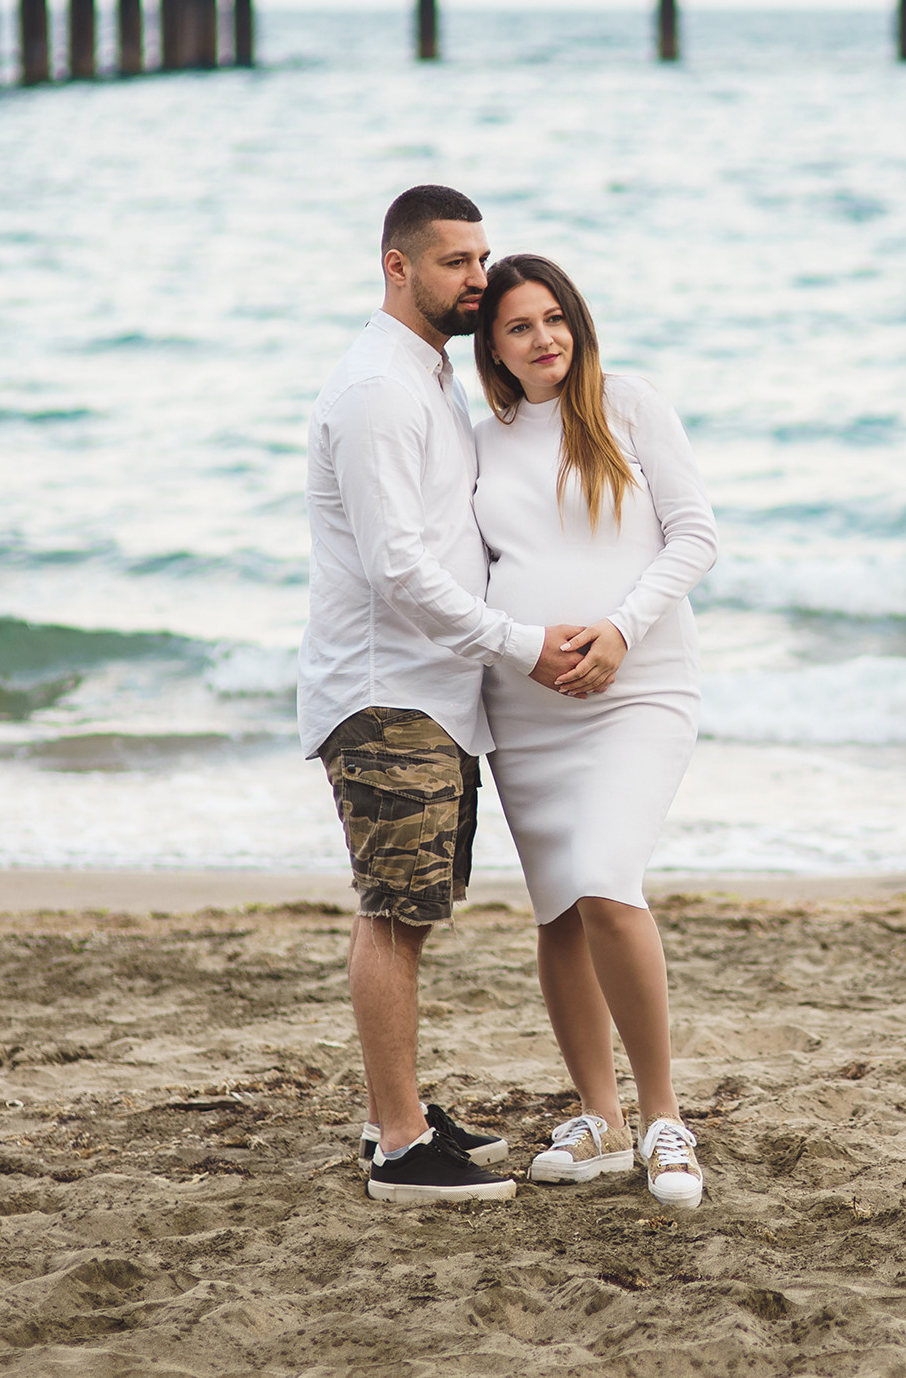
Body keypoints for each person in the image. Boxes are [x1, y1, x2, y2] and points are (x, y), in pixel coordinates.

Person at [299, 186, 589, 1205]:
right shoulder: (380, 390)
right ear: (397, 266)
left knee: (410, 910)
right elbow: (397, 569)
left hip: (430, 692)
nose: (478, 278)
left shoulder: (426, 374)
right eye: (455, 262)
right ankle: (397, 1141)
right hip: (387, 692)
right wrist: (520, 645)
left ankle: (401, 1109)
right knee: (392, 912)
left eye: (481, 257)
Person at [470, 255, 720, 1210]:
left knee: (609, 882)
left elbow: (695, 536)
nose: (544, 339)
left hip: (639, 686)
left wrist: (620, 628)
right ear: (493, 349)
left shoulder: (629, 404)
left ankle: (663, 1117)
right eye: (519, 326)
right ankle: (600, 1116)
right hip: (527, 706)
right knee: (560, 913)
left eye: (554, 317)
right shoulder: (479, 440)